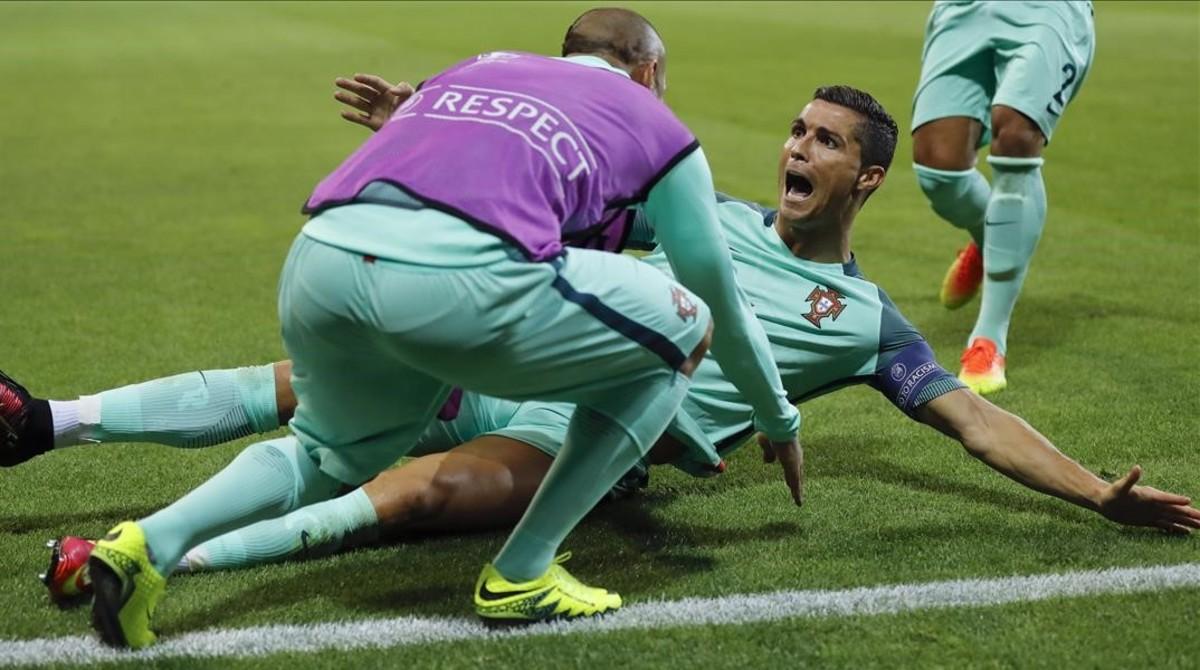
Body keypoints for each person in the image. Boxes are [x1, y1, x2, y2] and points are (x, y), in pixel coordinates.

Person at [29, 84, 1199, 608]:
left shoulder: (865, 322)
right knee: (292, 390)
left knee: (415, 494)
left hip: (585, 430)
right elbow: (552, 190)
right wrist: (425, 133)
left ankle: (162, 561)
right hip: (526, 351)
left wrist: (1097, 491)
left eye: (826, 142)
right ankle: (48, 422)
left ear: (868, 178)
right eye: (795, 129)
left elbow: (973, 416)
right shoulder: (709, 217)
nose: (798, 149)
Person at [63, 8, 805, 649]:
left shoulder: (477, 68)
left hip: (322, 259)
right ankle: (523, 572)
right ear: (648, 73)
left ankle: (147, 544)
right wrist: (777, 414)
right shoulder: (654, 118)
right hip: (456, 280)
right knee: (687, 329)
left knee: (326, 453)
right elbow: (718, 290)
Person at [911, 1, 1095, 394]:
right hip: (964, 8)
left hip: (1045, 10)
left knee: (1017, 134)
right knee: (939, 172)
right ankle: (990, 236)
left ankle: (989, 341)